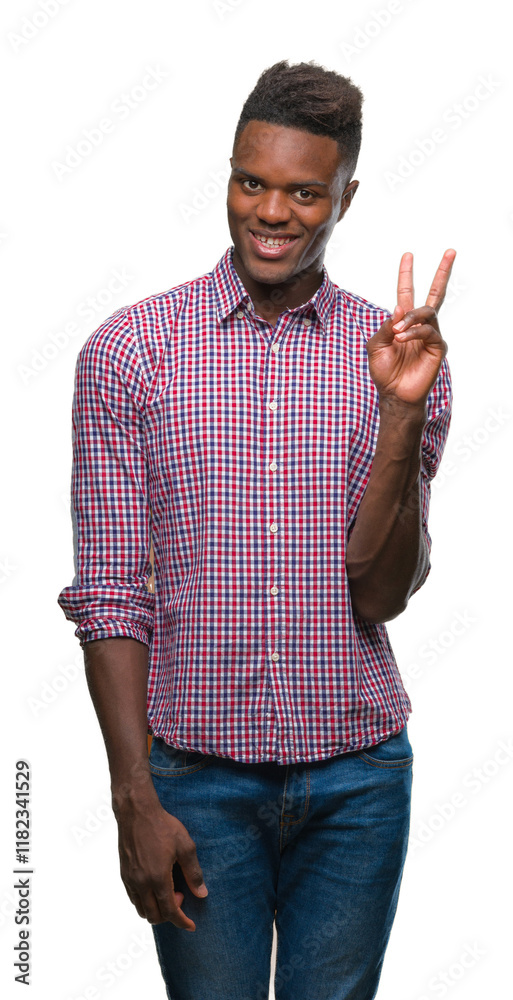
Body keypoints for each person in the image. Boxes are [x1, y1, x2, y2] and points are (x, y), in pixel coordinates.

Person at [58, 60, 455, 1000]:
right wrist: (133, 798)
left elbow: (381, 590)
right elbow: (111, 590)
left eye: (305, 192)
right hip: (194, 784)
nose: (272, 212)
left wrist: (399, 416)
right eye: (252, 182)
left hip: (356, 782)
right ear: (229, 175)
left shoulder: (395, 354)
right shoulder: (130, 351)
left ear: (344, 198)